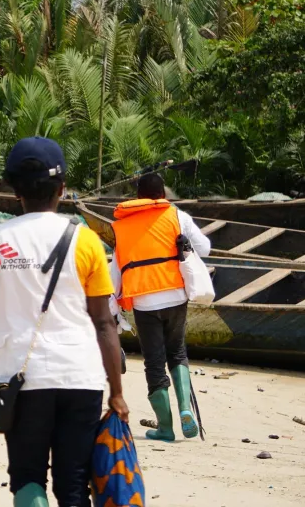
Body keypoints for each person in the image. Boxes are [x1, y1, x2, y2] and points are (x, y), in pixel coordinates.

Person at [0, 137, 128, 507]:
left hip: (18, 379)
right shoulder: (85, 241)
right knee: (73, 485)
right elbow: (104, 323)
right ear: (62, 189)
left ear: (14, 191)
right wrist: (117, 391)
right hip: (80, 376)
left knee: (27, 479)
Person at [110, 173, 210, 442]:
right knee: (177, 352)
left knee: (154, 361)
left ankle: (165, 427)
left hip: (143, 300)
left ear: (138, 197)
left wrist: (112, 307)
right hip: (176, 296)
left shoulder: (123, 225)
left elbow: (115, 271)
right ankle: (185, 408)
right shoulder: (177, 216)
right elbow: (206, 248)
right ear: (163, 194)